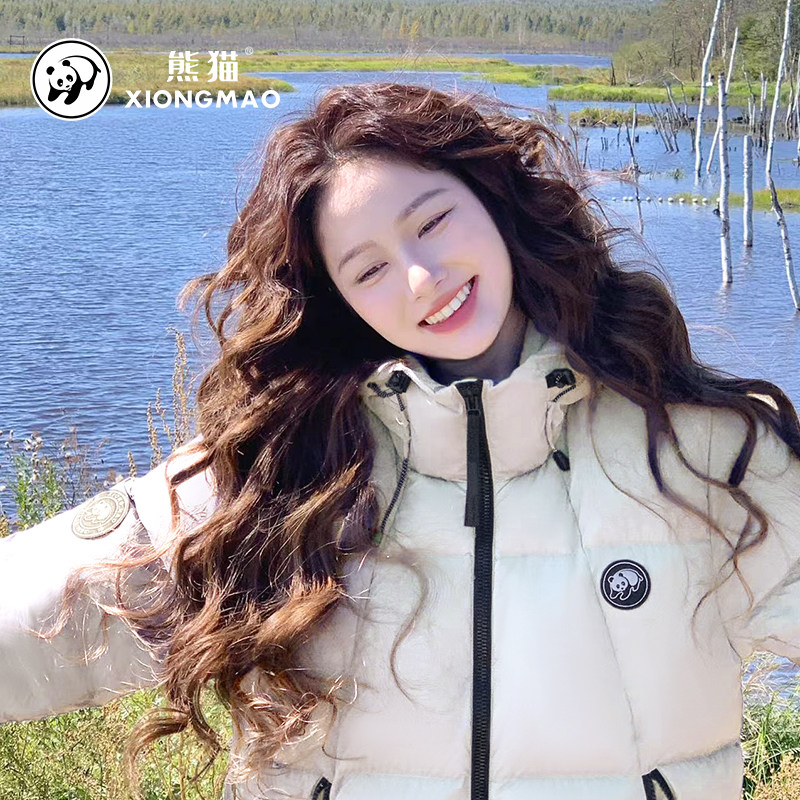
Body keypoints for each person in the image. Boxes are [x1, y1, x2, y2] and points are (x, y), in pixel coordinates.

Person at [2, 81, 799, 800]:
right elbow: (41, 611)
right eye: (369, 269)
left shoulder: (703, 453)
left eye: (434, 222)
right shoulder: (282, 471)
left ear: (494, 199)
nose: (422, 277)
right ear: (337, 300)